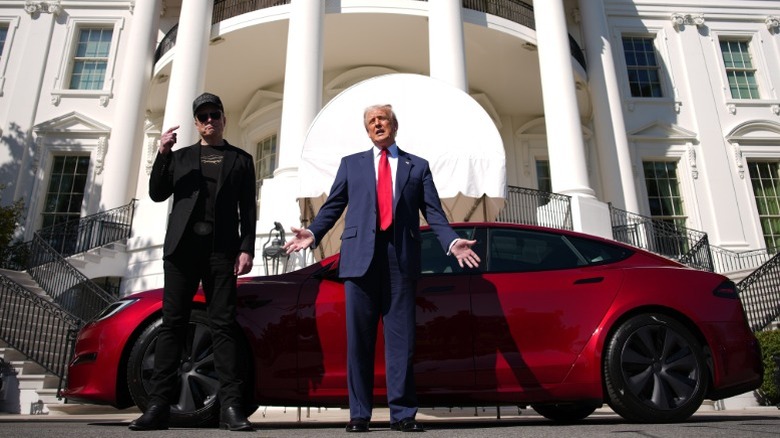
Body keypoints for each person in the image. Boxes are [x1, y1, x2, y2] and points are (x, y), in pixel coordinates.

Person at [283, 104, 480, 433]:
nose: (377, 124)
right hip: (359, 259)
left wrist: (451, 241)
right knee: (358, 341)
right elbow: (333, 206)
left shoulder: (417, 166)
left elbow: (434, 213)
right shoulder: (352, 165)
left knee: (401, 341)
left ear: (394, 125)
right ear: (367, 130)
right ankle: (359, 414)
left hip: (400, 259)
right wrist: (314, 232)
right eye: (371, 121)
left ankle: (402, 413)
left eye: (383, 119)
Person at [129, 92, 257, 432]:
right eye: (203, 117)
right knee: (173, 324)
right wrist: (163, 153)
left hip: (222, 252)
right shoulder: (181, 157)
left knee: (224, 326)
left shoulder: (241, 160)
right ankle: (158, 406)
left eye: (215, 114)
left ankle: (231, 408)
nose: (209, 121)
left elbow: (249, 210)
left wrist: (247, 248)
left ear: (223, 118)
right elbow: (158, 192)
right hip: (182, 251)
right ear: (196, 123)